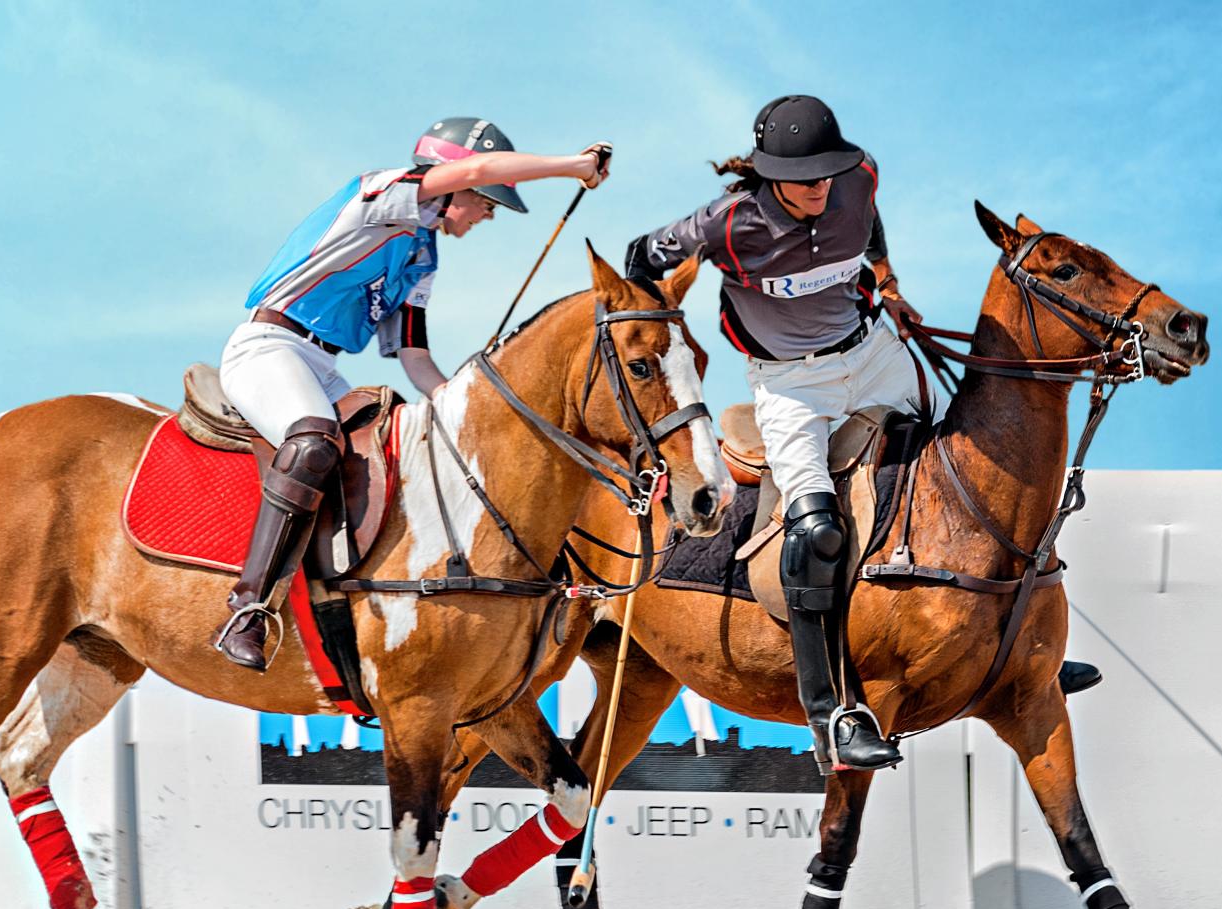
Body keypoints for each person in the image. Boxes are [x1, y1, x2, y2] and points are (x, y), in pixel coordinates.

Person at [625, 95, 1098, 773]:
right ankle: (833, 713)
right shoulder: (726, 223)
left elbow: (867, 220)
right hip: (791, 386)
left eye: (826, 173)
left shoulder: (856, 179)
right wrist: (654, 330)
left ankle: (1018, 647)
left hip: (873, 355)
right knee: (815, 530)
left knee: (969, 463)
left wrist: (888, 282)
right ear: (770, 177)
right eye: (804, 179)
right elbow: (639, 256)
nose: (820, 187)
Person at [215, 118, 610, 669]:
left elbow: (415, 360)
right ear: (456, 186)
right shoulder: (383, 194)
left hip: (323, 366)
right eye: (486, 203)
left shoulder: (423, 257)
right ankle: (248, 609)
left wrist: (470, 407)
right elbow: (477, 167)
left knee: (403, 456)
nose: (487, 215)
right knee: (313, 443)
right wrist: (573, 166)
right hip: (268, 346)